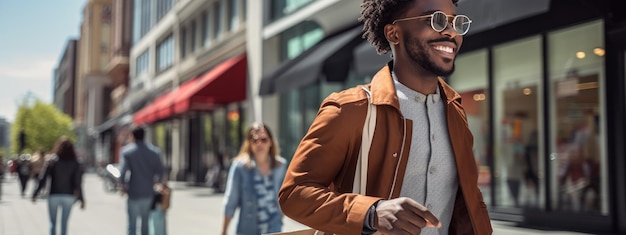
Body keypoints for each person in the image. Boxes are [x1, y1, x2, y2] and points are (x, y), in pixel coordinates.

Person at [278, 0, 493, 234]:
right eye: (436, 20)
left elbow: (469, 199)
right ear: (394, 33)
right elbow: (294, 195)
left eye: (455, 22)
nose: (451, 32)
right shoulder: (349, 109)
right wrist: (371, 213)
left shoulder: (455, 111)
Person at [221, 122, 287, 235]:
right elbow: (231, 202)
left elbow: (285, 198)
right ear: (249, 143)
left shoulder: (280, 166)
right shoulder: (240, 167)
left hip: (274, 229)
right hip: (248, 229)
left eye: (264, 139)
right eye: (255, 140)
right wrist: (224, 231)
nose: (259, 143)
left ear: (271, 142)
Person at [32, 136, 85, 235]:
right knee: (64, 223)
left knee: (52, 223)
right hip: (69, 196)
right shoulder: (75, 163)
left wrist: (35, 193)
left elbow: (43, 178)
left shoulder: (52, 161)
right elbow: (78, 182)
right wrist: (82, 199)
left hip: (54, 195)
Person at [120, 126, 165, 235]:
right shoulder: (154, 152)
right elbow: (161, 171)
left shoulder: (127, 152)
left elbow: (123, 172)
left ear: (133, 136)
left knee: (132, 225)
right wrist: (156, 182)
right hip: (148, 192)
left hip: (133, 192)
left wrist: (123, 185)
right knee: (145, 224)